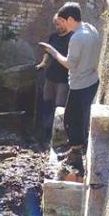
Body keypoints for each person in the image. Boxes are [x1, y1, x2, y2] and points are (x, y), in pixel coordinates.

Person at [38, 2, 101, 173]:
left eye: (62, 21)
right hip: (92, 80)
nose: (61, 25)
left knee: (70, 121)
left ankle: (76, 157)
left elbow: (70, 65)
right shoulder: (92, 29)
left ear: (71, 19)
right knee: (79, 118)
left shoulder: (76, 37)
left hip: (80, 84)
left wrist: (53, 51)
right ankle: (75, 151)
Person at [34, 13, 72, 142]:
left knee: (59, 105)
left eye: (59, 23)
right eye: (55, 24)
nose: (57, 26)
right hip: (50, 75)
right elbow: (48, 52)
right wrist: (43, 64)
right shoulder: (53, 37)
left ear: (65, 22)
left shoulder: (72, 38)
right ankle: (45, 129)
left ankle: (56, 133)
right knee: (46, 102)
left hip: (63, 78)